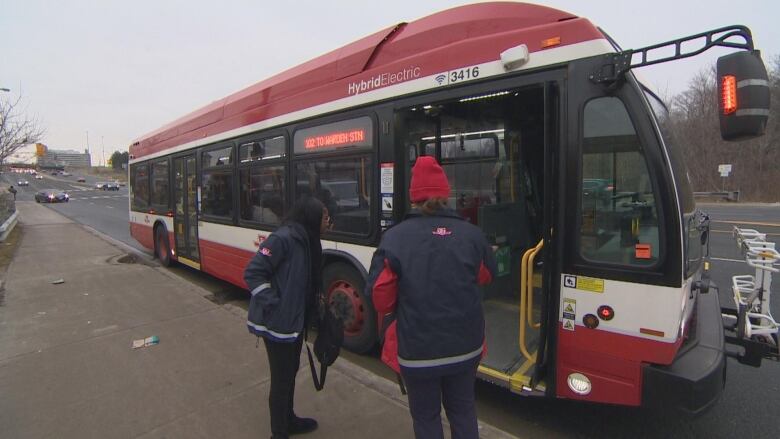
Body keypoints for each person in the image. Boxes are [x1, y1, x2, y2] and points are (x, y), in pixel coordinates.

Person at [367, 156, 497, 439]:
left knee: (426, 416)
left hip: (418, 350)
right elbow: (486, 275)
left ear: (414, 197)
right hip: (466, 345)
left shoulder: (395, 239)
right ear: (445, 193)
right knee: (463, 410)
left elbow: (381, 298)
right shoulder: (472, 235)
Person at [243, 196, 330, 439]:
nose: (328, 221)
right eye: (324, 216)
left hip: (294, 323)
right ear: (312, 217)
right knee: (281, 379)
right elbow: (253, 273)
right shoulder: (283, 239)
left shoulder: (309, 241)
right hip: (277, 324)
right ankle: (278, 432)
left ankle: (288, 420)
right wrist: (276, 305)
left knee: (291, 370)